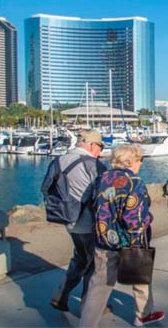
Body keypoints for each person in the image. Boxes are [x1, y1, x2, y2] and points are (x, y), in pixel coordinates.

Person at [79, 144, 165, 327]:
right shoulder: (135, 182)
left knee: (99, 285)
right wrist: (147, 219)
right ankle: (142, 314)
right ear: (131, 161)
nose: (141, 163)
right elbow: (133, 218)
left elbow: (91, 204)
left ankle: (86, 323)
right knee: (141, 277)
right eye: (140, 159)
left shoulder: (101, 179)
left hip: (103, 239)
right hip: (130, 241)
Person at [50, 129, 107, 313]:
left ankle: (61, 295)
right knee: (93, 263)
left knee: (81, 258)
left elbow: (47, 188)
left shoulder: (58, 161)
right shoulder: (93, 165)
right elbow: (103, 195)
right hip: (88, 222)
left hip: (67, 217)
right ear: (92, 145)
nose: (101, 151)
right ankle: (87, 306)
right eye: (100, 146)